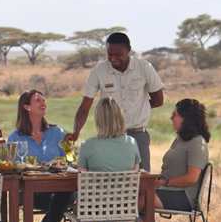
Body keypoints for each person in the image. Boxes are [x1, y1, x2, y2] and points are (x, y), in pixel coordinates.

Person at [66, 32, 164, 171]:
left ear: (129, 50)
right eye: (109, 54)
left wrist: (138, 108)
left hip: (137, 134)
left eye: (118, 55)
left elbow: (158, 100)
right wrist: (76, 132)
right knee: (108, 181)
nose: (113, 58)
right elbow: (85, 106)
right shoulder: (99, 70)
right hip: (108, 136)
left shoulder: (144, 67)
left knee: (141, 183)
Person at [139, 99, 211, 222]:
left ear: (187, 118)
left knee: (134, 204)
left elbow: (192, 178)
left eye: (175, 115)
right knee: (133, 198)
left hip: (183, 197)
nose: (172, 118)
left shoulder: (197, 143)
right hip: (167, 191)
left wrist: (164, 182)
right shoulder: (180, 139)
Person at [75, 98, 141, 222]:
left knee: (83, 205)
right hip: (120, 206)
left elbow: (81, 175)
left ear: (98, 120)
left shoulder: (88, 146)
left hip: (92, 206)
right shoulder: (132, 143)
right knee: (109, 203)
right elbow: (136, 169)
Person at [7, 90, 72, 222]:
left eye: (44, 100)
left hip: (57, 190)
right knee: (60, 201)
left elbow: (70, 158)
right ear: (26, 107)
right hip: (30, 192)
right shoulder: (15, 137)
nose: (43, 103)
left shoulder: (58, 132)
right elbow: (9, 165)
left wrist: (65, 159)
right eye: (38, 100)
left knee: (64, 194)